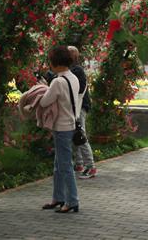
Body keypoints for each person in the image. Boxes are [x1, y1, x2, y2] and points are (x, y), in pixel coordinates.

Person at [39, 45, 81, 213]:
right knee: (59, 164)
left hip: (61, 127)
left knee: (65, 166)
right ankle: (58, 198)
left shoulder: (57, 81)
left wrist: (42, 88)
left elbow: (44, 102)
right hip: (71, 123)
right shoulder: (73, 78)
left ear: (55, 63)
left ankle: (72, 201)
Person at [68, 46, 97, 179]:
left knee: (81, 134)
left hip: (80, 107)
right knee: (76, 135)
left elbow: (79, 89)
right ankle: (79, 163)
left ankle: (90, 166)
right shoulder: (72, 70)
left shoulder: (77, 70)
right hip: (74, 107)